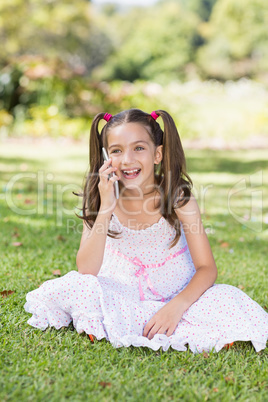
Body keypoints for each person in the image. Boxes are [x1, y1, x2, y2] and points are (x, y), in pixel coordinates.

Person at [24, 109, 268, 353]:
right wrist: (106, 206)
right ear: (106, 156)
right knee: (80, 287)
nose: (127, 159)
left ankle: (160, 319)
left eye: (138, 148)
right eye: (117, 150)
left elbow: (207, 268)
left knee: (226, 299)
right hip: (123, 289)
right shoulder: (100, 197)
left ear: (157, 154)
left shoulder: (177, 197)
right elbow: (87, 270)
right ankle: (136, 319)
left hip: (178, 291)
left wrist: (176, 306)